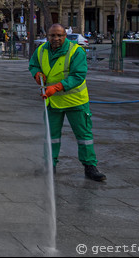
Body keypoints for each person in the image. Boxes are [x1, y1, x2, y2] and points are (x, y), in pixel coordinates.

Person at [31, 23, 105, 182]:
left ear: (65, 36)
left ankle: (90, 167)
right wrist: (36, 74)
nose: (56, 38)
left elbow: (78, 75)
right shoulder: (41, 50)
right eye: (52, 35)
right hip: (52, 102)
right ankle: (49, 165)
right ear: (47, 36)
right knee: (51, 136)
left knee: (84, 136)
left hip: (75, 101)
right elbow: (34, 64)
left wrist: (57, 87)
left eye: (59, 35)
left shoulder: (76, 51)